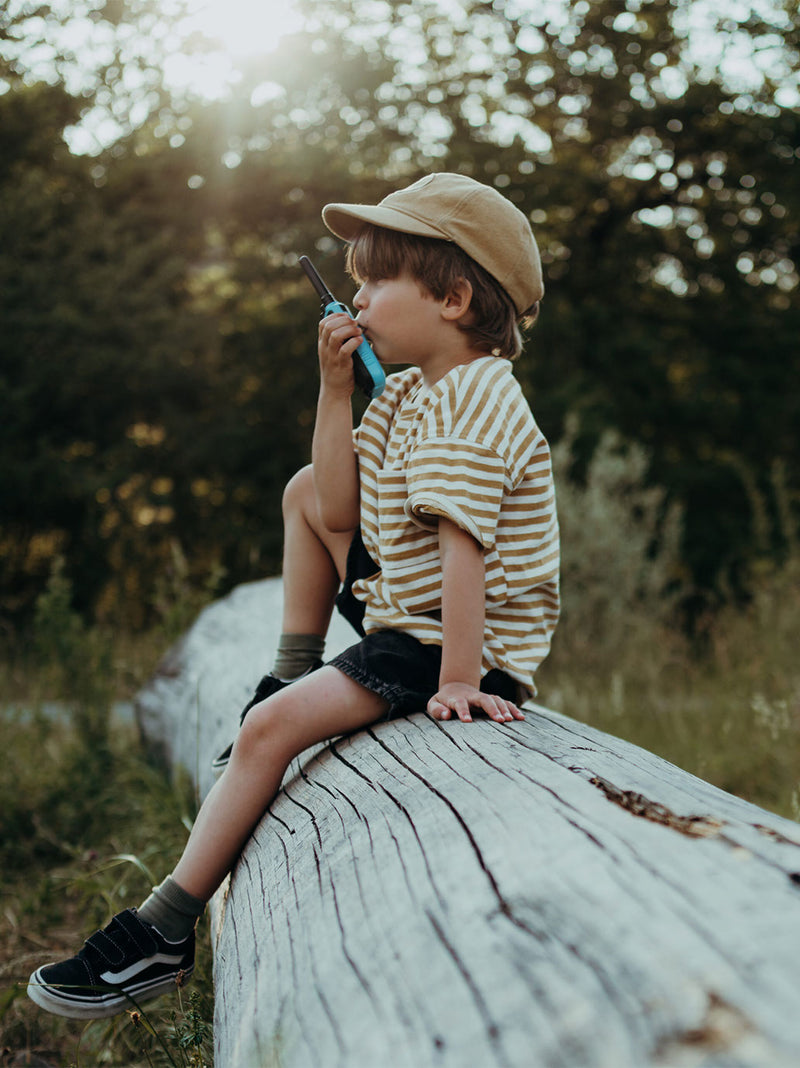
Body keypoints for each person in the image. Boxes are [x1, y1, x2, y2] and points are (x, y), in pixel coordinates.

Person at [27, 172, 560, 1020]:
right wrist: (337, 389)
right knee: (305, 487)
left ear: (454, 297)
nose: (357, 296)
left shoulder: (477, 401)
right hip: (408, 606)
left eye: (377, 280)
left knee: (266, 733)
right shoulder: (418, 392)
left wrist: (461, 679)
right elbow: (342, 506)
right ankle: (289, 667)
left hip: (450, 644)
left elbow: (466, 550)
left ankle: (163, 929)